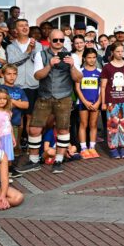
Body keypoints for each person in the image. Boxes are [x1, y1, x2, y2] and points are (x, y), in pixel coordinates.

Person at [27, 29, 82, 173]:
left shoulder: (72, 56)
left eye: (61, 40)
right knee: (34, 129)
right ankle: (33, 161)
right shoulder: (41, 54)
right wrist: (49, 65)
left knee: (63, 129)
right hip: (44, 96)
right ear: (49, 41)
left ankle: (59, 160)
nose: (58, 43)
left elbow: (78, 78)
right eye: (55, 40)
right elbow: (37, 76)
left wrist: (72, 66)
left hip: (63, 97)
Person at [100, 43, 124, 159]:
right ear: (112, 52)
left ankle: (123, 146)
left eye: (122, 51)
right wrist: (103, 102)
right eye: (118, 51)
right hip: (111, 101)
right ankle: (113, 147)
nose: (120, 53)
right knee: (112, 124)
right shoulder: (107, 67)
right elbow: (103, 86)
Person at [75, 49, 102, 159]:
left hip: (96, 103)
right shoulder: (80, 71)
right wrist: (85, 102)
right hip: (83, 103)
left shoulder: (100, 72)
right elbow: (77, 88)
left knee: (93, 124)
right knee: (83, 124)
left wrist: (98, 103)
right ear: (84, 58)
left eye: (94, 57)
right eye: (89, 57)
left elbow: (102, 89)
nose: (91, 60)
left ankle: (92, 147)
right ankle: (83, 148)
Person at [0, 65, 27, 159]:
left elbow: (26, 105)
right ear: (3, 75)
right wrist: (18, 102)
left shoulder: (19, 90)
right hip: (3, 124)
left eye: (14, 74)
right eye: (9, 74)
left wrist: (12, 101)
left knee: (12, 146)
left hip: (15, 123)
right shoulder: (0, 89)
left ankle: (9, 167)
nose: (12, 76)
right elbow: (1, 105)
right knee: (2, 147)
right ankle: (4, 168)